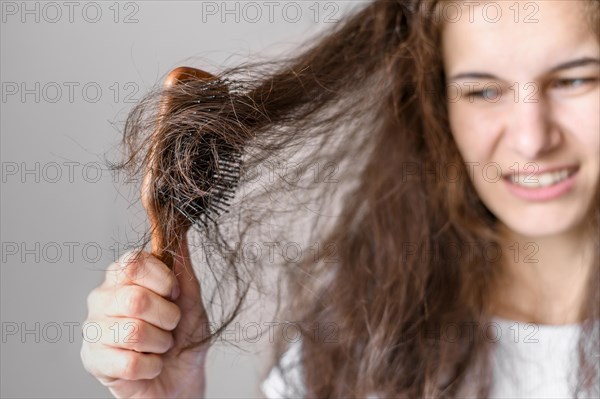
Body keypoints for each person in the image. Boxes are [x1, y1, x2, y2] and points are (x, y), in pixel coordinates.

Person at [81, 0, 600, 397]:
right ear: (438, 107)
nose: (533, 139)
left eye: (575, 80)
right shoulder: (356, 331)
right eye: (483, 91)